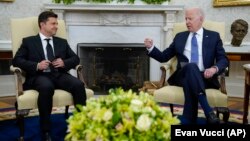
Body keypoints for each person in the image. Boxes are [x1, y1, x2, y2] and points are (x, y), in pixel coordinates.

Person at [144, 7, 229, 124]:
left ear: (201, 19)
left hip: (205, 77)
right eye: (186, 19)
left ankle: (188, 120)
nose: (187, 22)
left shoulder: (214, 36)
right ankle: (208, 111)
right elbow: (164, 56)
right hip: (182, 76)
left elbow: (223, 60)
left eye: (190, 19)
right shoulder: (180, 36)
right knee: (190, 66)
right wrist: (150, 48)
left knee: (192, 80)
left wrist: (214, 69)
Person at [12, 11, 86, 140]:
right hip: (39, 76)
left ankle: (82, 125)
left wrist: (64, 62)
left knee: (79, 85)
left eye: (57, 23)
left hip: (59, 74)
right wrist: (36, 65)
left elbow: (75, 58)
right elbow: (17, 60)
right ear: (42, 24)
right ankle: (46, 130)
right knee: (47, 87)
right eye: (53, 23)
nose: (56, 26)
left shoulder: (61, 42)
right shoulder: (29, 41)